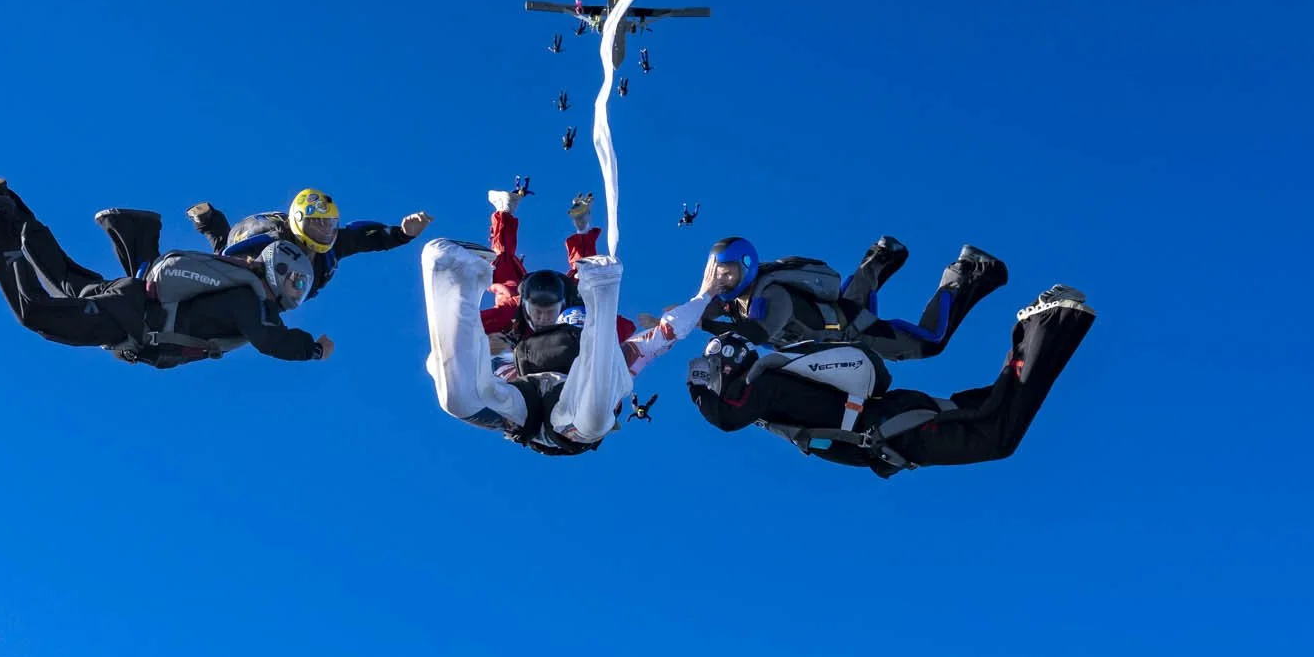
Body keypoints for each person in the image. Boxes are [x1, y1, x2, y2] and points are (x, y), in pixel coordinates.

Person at [687, 286, 1094, 481]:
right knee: (988, 412)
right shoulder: (767, 386)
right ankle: (1045, 323)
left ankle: (1045, 321)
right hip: (893, 428)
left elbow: (726, 415)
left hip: (892, 426)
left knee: (996, 434)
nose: (718, 375)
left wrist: (696, 380)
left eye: (717, 365)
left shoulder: (764, 383)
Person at [421, 191, 719, 456]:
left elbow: (665, 333)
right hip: (527, 399)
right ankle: (449, 274)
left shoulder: (583, 334)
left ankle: (601, 298)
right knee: (453, 391)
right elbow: (666, 333)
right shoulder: (518, 322)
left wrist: (705, 295)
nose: (544, 319)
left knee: (593, 404)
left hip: (564, 411)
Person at [0, 177, 330, 367]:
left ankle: (5, 201)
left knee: (63, 275)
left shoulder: (240, 286)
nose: (298, 290)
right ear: (276, 271)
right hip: (129, 316)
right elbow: (270, 340)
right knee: (36, 312)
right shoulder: (252, 301)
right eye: (297, 280)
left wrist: (214, 225)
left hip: (131, 303)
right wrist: (313, 349)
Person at [700, 233, 1009, 361]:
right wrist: (672, 322)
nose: (724, 279)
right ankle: (881, 255)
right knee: (849, 304)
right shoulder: (733, 302)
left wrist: (705, 327)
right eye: (719, 273)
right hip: (835, 324)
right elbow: (704, 310)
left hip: (853, 329)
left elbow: (757, 332)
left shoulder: (772, 295)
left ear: (746, 266)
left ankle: (966, 269)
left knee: (929, 343)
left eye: (729, 273)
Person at [186, 188, 429, 303]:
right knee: (227, 263)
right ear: (299, 223)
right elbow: (229, 255)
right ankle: (211, 221)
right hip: (246, 245)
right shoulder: (273, 237)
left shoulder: (334, 246)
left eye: (328, 224)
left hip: (285, 290)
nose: (323, 231)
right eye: (316, 224)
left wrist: (402, 233)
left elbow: (365, 237)